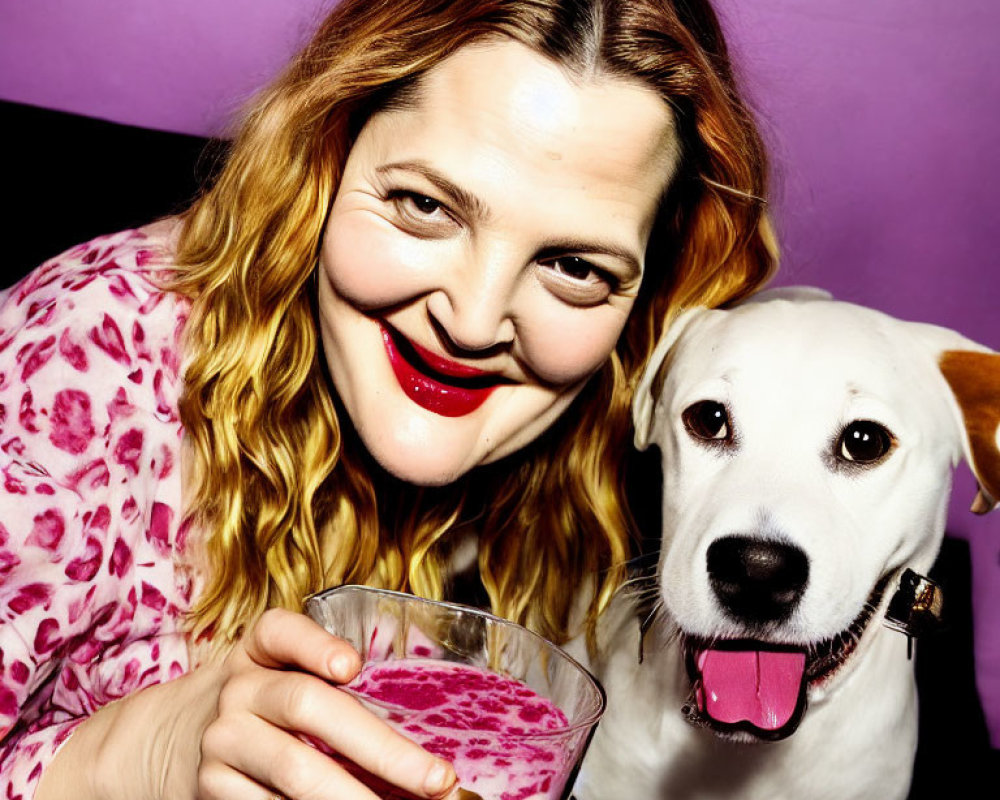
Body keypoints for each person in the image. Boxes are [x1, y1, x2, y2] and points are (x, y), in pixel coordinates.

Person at [0, 0, 776, 798]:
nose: (472, 323)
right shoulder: (82, 363)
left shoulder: (605, 459)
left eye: (575, 265)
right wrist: (135, 758)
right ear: (326, 154)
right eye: (424, 205)